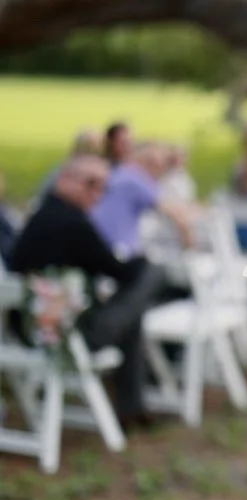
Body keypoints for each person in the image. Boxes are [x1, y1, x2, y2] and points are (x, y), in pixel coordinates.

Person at [7, 155, 166, 430]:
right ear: (63, 180)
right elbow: (118, 270)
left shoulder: (42, 215)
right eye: (91, 183)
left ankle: (133, 406)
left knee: (133, 314)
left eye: (104, 187)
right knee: (153, 274)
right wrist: (142, 260)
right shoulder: (73, 223)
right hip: (62, 336)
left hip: (26, 329)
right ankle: (131, 406)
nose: (97, 192)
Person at [91, 141, 194, 259]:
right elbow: (178, 217)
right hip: (119, 250)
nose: (163, 173)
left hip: (100, 243)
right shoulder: (136, 179)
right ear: (149, 163)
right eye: (161, 166)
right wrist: (189, 248)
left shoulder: (121, 172)